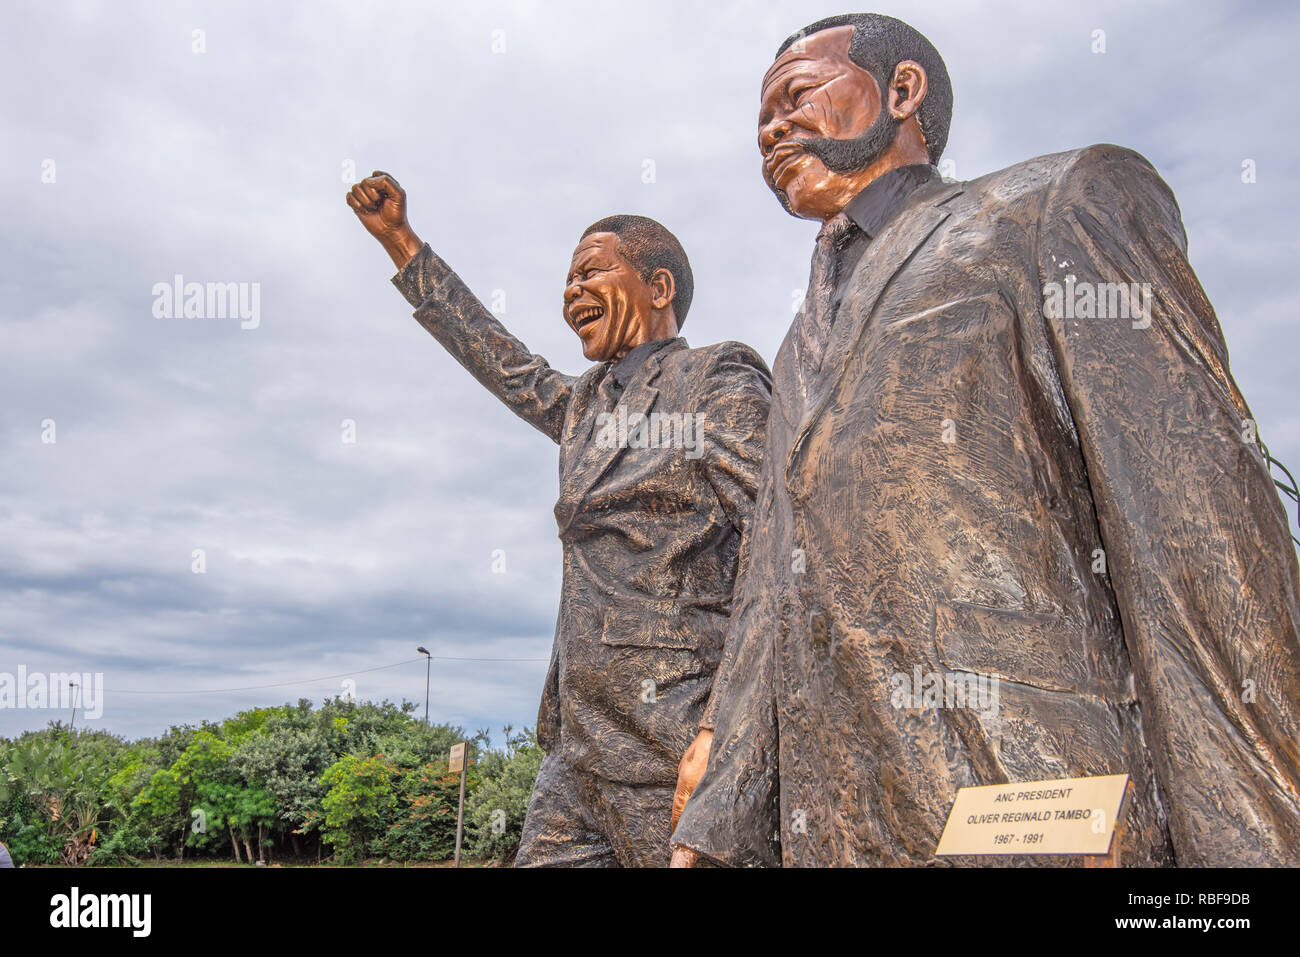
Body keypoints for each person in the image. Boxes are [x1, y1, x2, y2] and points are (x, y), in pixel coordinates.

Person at [671, 13, 1300, 866]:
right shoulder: (794, 346)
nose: (771, 130)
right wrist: (716, 810)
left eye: (795, 98)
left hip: (1042, 808)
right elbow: (771, 580)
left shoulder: (1055, 205)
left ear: (903, 91)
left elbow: (1201, 549)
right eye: (759, 122)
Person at [348, 174, 771, 866]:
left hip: (671, 736)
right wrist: (401, 243)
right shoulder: (582, 407)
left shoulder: (714, 378)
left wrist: (725, 731)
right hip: (574, 745)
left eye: (591, 271)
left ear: (657, 288)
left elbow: (774, 539)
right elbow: (502, 360)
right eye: (566, 279)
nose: (571, 291)